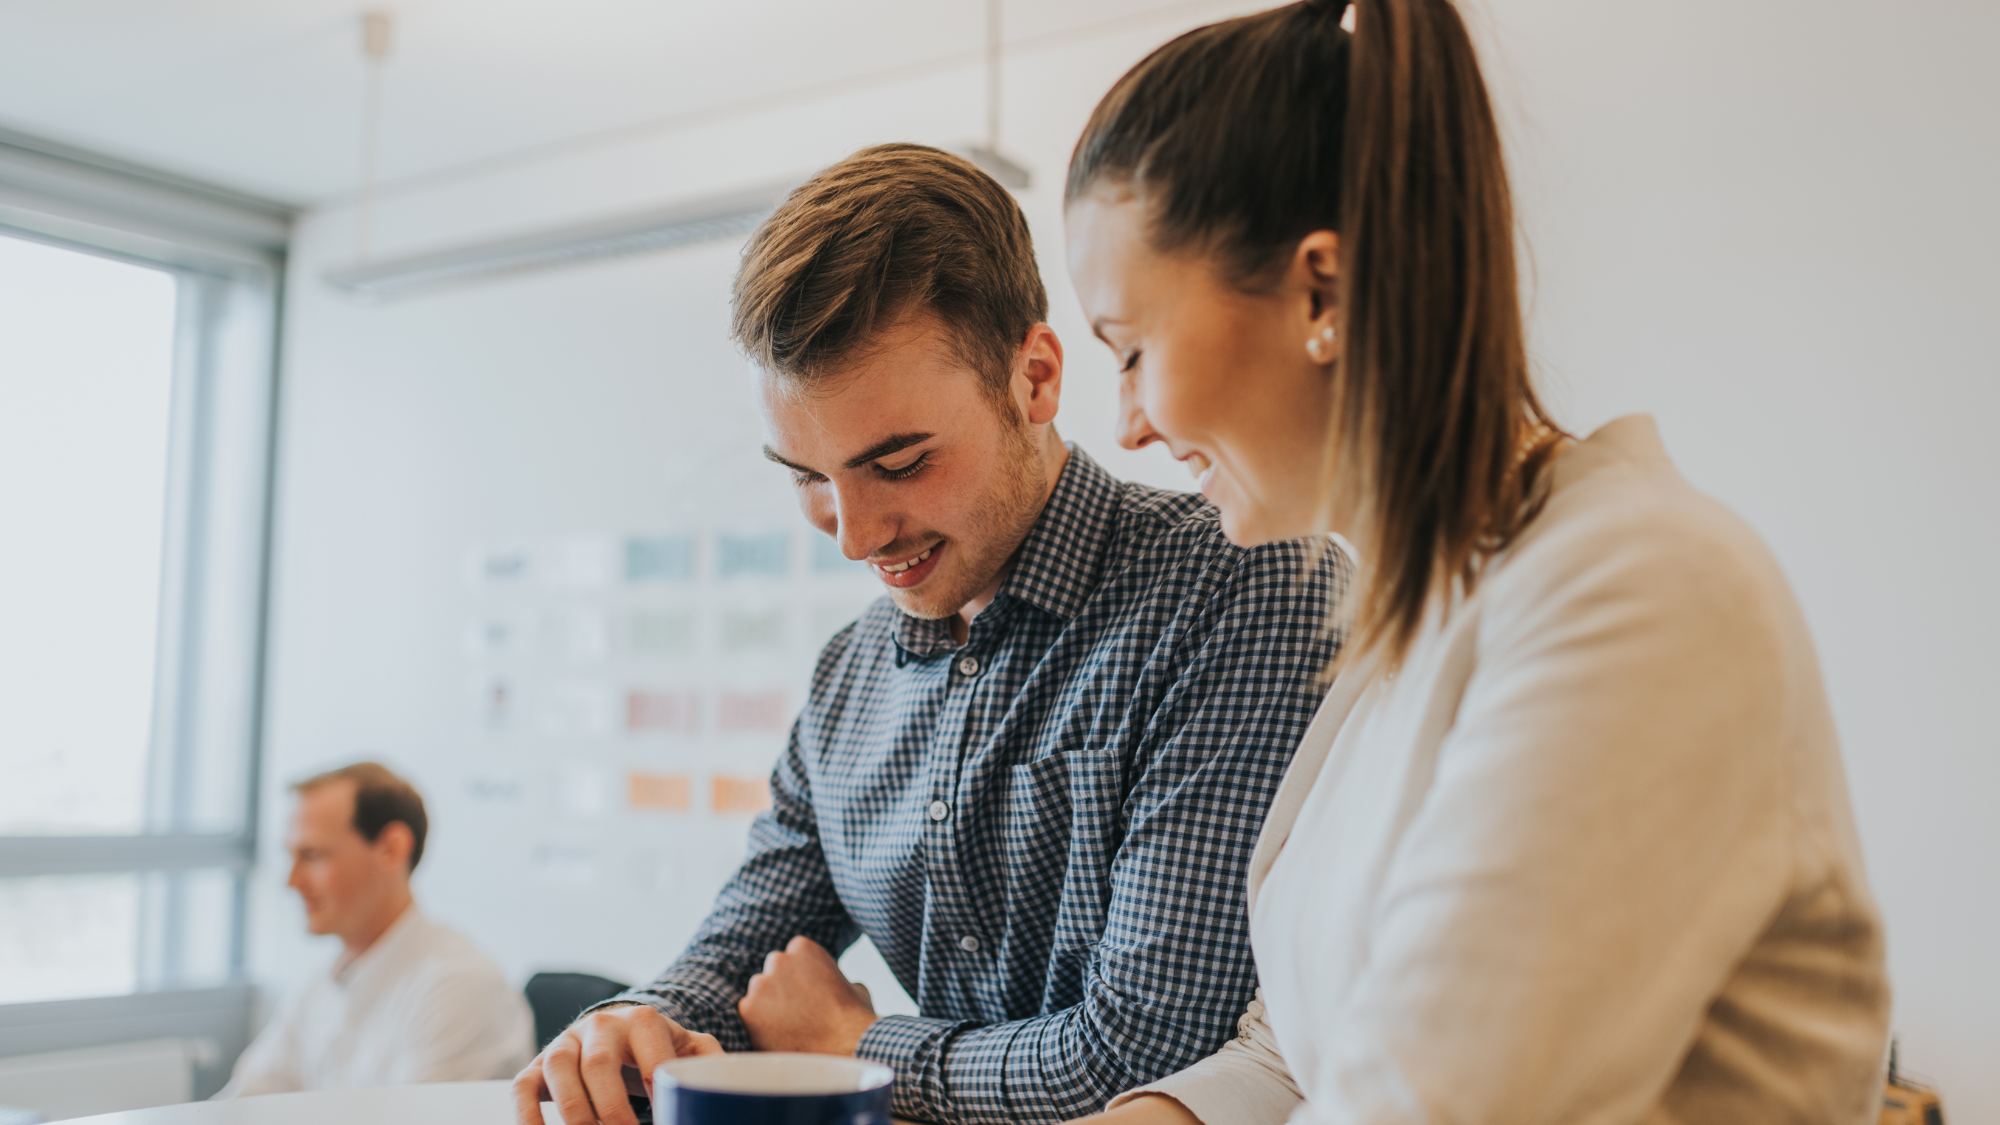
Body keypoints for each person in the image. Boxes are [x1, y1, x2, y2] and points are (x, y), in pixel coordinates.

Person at [1058, 1, 1891, 1122]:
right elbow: (1308, 1050)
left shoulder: (1637, 592)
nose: (1127, 427)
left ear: (1321, 293)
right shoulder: (1410, 621)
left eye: (1132, 351)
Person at [512, 144, 1350, 1125]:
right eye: (805, 478)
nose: (856, 537)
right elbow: (740, 951)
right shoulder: (850, 674)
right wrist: (634, 1021)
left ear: (1034, 379)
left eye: (898, 463)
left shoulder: (1239, 584)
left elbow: (1155, 1052)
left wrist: (854, 1047)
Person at [219, 762, 533, 1097]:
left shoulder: (459, 986)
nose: (291, 881)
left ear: (391, 849)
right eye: (291, 856)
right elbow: (245, 1099)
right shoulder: (325, 981)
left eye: (312, 855)